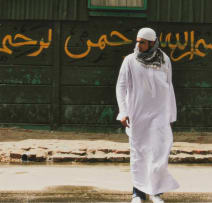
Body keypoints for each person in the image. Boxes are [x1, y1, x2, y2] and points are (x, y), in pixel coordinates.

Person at [116, 28, 179, 203]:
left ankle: (156, 193)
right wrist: (123, 111)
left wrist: (171, 115)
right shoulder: (130, 60)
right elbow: (121, 87)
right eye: (137, 41)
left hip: (160, 113)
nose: (138, 45)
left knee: (160, 151)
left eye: (142, 42)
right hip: (138, 114)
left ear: (152, 43)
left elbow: (169, 86)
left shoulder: (164, 59)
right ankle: (138, 193)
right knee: (139, 153)